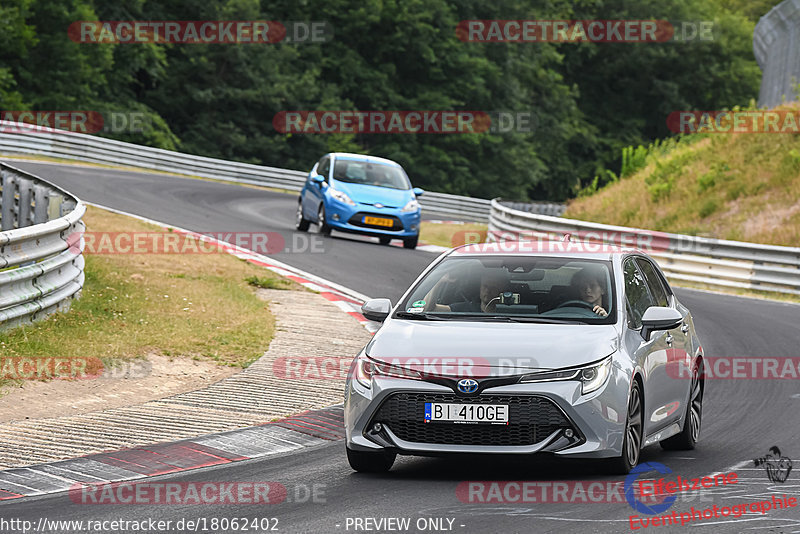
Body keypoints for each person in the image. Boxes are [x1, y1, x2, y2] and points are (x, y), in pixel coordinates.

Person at [423, 268, 509, 313]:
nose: (487, 290)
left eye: (493, 288)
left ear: (502, 291)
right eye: (485, 286)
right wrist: (439, 282)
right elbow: (428, 309)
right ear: (479, 287)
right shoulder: (464, 309)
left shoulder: (512, 312)